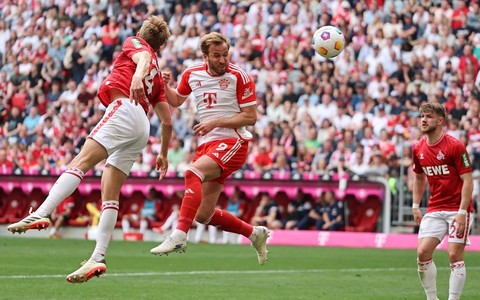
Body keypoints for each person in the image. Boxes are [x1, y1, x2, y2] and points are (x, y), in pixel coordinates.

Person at [7, 16, 173, 283]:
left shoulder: (136, 44)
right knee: (110, 194)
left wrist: (138, 76)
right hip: (143, 127)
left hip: (125, 109)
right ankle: (98, 257)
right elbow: (167, 120)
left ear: (142, 34)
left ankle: (42, 212)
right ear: (162, 45)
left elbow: (141, 60)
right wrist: (163, 153)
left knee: (81, 161)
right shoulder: (158, 77)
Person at [150, 32, 270, 265]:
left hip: (234, 141)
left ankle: (179, 235)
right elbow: (175, 101)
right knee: (203, 214)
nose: (222, 60)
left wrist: (215, 122)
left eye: (225, 54)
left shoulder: (240, 76)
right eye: (216, 56)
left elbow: (251, 117)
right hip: (208, 144)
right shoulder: (192, 73)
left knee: (192, 172)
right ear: (205, 56)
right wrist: (166, 86)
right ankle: (255, 234)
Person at [412, 102, 474, 300]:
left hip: (457, 208)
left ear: (440, 121)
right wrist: (415, 205)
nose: (423, 119)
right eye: (422, 116)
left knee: (454, 255)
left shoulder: (455, 146)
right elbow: (419, 177)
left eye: (428, 117)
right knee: (422, 253)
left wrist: (463, 212)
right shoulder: (418, 148)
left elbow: (468, 180)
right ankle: (432, 298)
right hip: (435, 207)